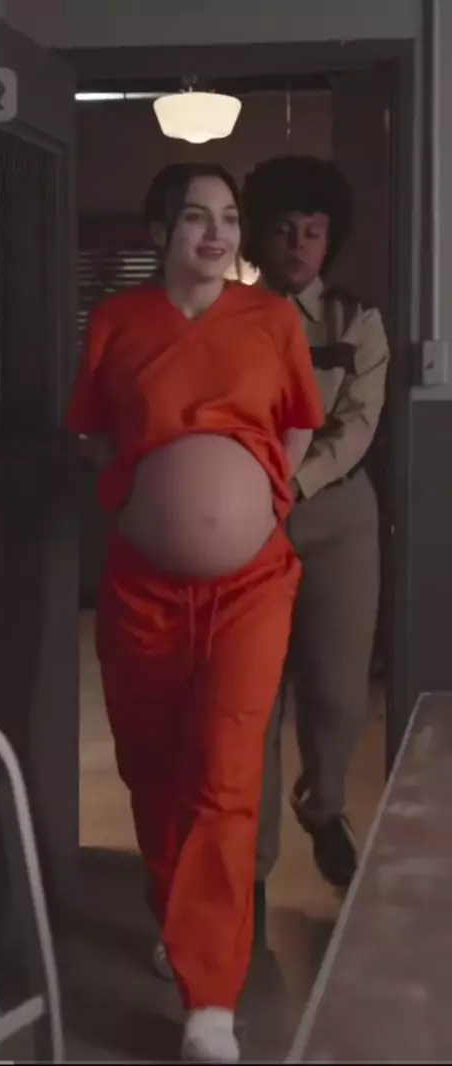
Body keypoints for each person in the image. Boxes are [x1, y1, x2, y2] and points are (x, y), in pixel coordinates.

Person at [66, 162, 323, 1063]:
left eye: (228, 218)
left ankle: (209, 999)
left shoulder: (272, 320)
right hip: (143, 591)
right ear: (158, 233)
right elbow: (94, 429)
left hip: (251, 588)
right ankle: (181, 923)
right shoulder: (116, 321)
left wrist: (262, 499)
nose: (216, 234)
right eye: (194, 218)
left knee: (224, 770)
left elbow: (298, 423)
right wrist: (145, 497)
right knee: (153, 773)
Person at [242, 155, 389, 894]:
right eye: (283, 229)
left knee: (336, 692)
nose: (298, 245)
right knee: (253, 699)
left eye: (313, 231)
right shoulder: (229, 318)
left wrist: (293, 483)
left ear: (331, 239)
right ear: (259, 237)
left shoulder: (356, 319)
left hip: (337, 518)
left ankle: (324, 807)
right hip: (245, 521)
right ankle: (251, 870)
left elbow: (357, 424)